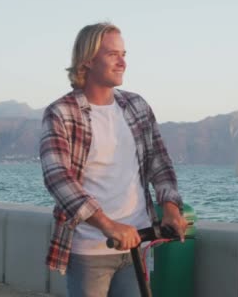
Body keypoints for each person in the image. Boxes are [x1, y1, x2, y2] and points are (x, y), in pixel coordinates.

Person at [40, 22, 188, 297]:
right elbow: (58, 178)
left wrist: (169, 206)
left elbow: (160, 162)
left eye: (124, 54)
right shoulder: (61, 112)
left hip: (138, 244)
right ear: (87, 61)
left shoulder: (136, 106)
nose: (122, 62)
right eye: (112, 55)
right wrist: (109, 226)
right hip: (90, 249)